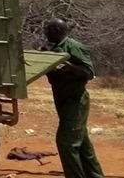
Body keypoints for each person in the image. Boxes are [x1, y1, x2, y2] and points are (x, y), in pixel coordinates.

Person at [42, 18, 104, 178]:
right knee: (82, 145)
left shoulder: (74, 46)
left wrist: (68, 67)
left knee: (66, 142)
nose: (46, 33)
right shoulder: (56, 48)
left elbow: (89, 72)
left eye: (48, 30)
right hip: (63, 101)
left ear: (57, 30)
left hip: (75, 101)